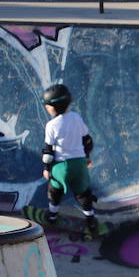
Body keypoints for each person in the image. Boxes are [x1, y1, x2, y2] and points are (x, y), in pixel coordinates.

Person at [29, 83, 100, 235]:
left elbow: (48, 153)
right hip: (79, 164)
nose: (46, 108)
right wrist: (87, 157)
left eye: (47, 105)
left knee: (55, 191)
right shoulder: (76, 117)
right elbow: (87, 140)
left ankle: (52, 216)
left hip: (61, 166)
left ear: (54, 107)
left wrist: (47, 169)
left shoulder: (51, 125)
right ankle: (91, 221)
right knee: (83, 194)